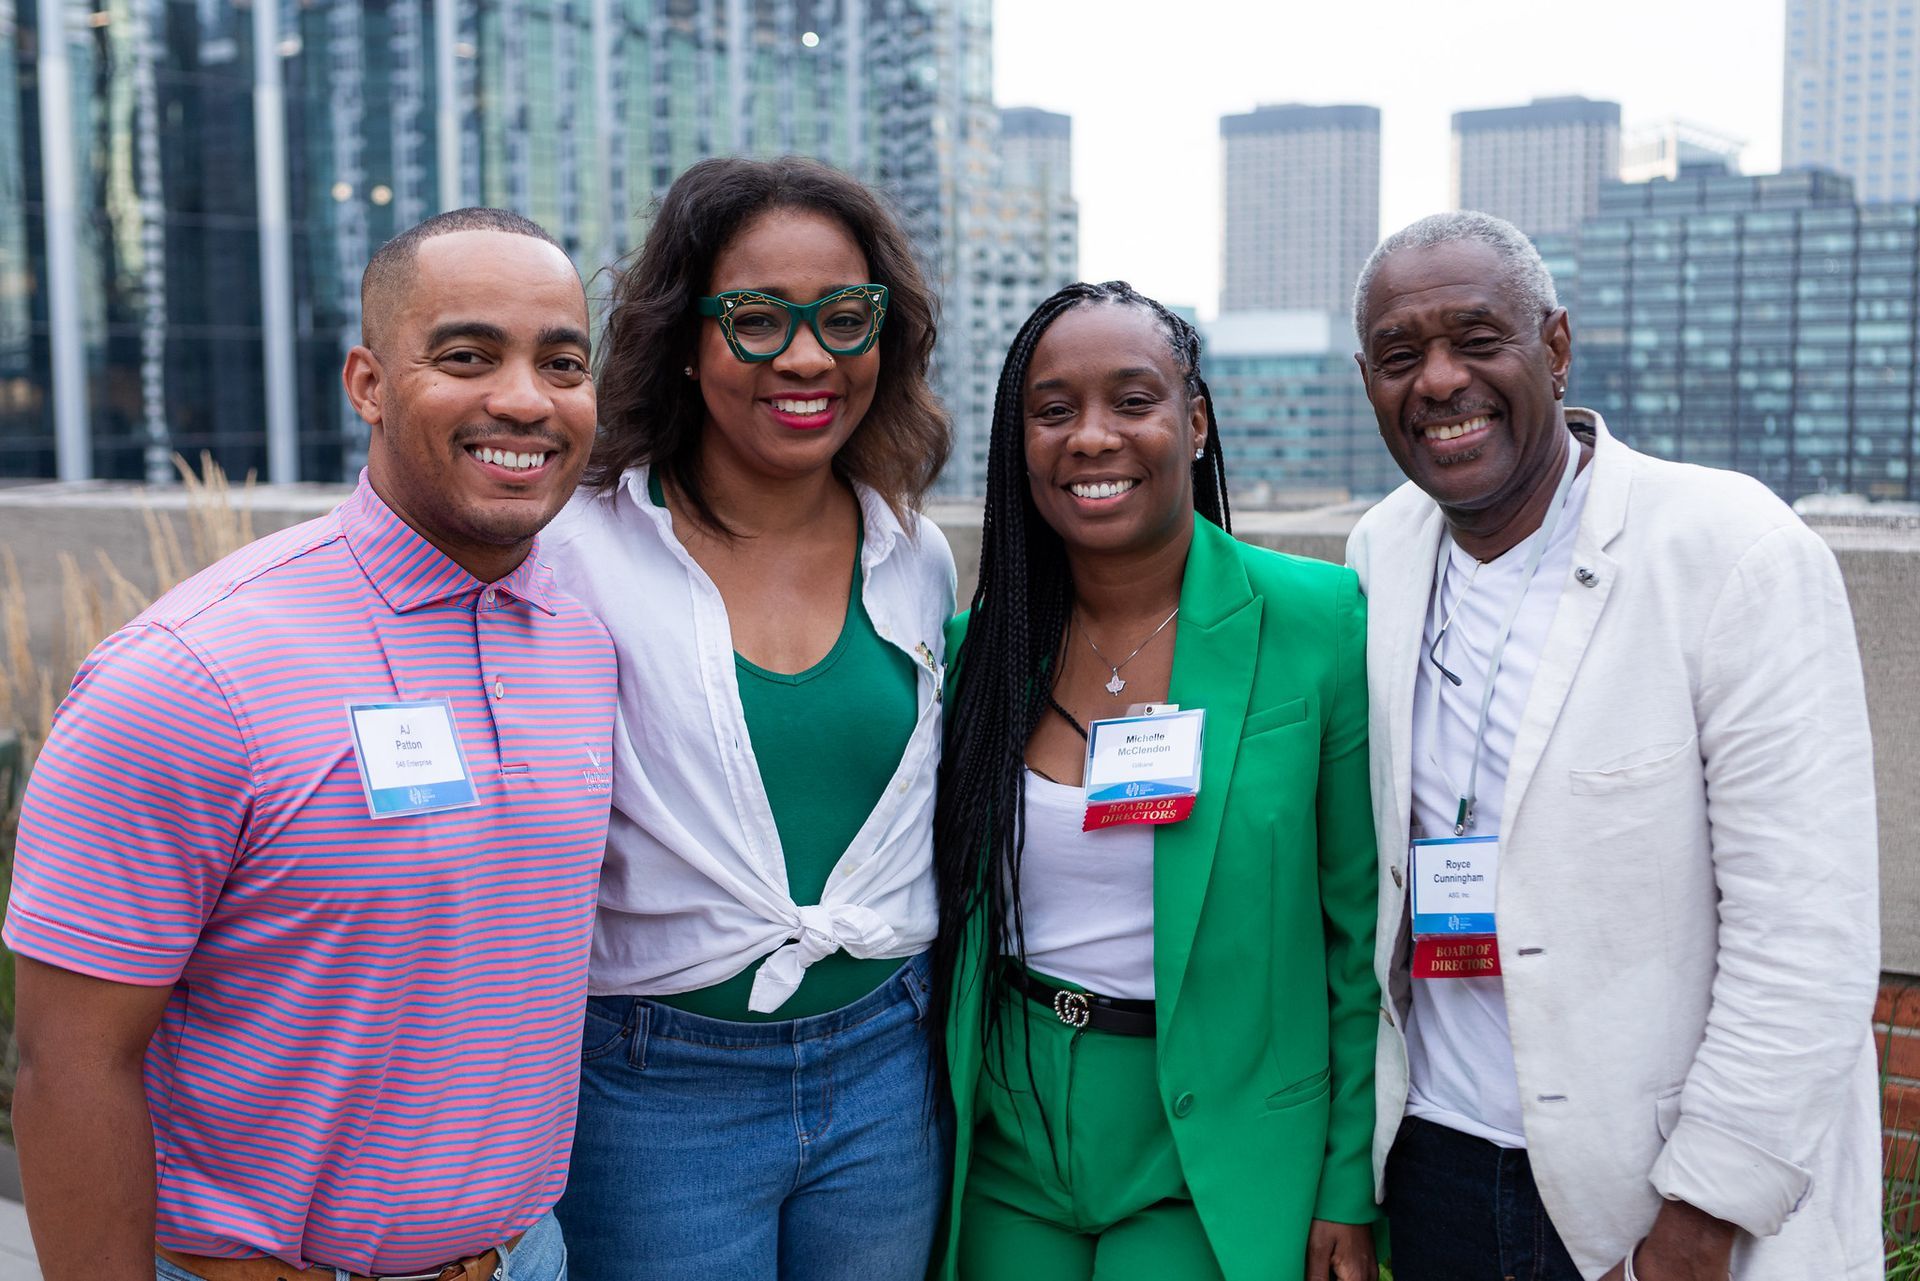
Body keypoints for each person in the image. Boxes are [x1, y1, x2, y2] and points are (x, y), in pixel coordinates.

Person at [5, 207, 614, 1281]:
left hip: (529, 1259)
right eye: (468, 356)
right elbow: (70, 1062)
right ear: (369, 383)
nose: (524, 398)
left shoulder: (584, 645)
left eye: (561, 362)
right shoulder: (187, 674)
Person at [1346, 210, 1882, 1280]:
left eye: (1476, 340)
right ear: (1369, 382)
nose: (1440, 382)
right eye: (1402, 357)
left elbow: (1806, 932)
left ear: (1553, 345)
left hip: (1652, 1196)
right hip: (1439, 1163)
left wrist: (1702, 1214)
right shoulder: (1380, 552)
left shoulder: (1732, 550)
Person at [543, 156, 955, 1281]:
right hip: (654, 1086)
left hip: (886, 1066)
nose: (809, 356)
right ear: (685, 337)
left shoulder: (916, 556)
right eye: (759, 319)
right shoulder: (574, 551)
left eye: (844, 316)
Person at [931, 280, 1379, 1281]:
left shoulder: (1316, 622)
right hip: (1012, 1133)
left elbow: (1357, 934)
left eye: (1133, 401)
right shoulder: (975, 656)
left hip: (1213, 1142)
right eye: (1053, 411)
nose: (1092, 437)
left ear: (1196, 421)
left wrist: (1348, 1180)